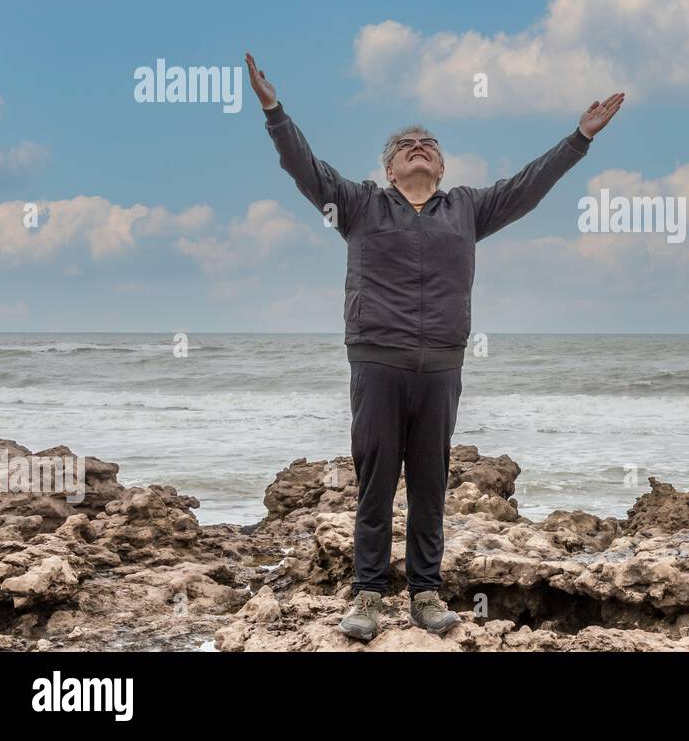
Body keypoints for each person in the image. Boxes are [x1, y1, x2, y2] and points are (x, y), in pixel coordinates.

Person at [245, 52, 622, 640]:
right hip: (377, 361)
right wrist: (274, 111)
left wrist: (579, 138)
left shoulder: (468, 209)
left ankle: (425, 593)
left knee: (429, 485)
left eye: (429, 142)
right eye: (405, 145)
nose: (418, 146)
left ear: (441, 166)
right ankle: (367, 595)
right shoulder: (360, 206)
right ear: (390, 169)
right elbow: (305, 169)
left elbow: (530, 185)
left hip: (441, 367)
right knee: (374, 485)